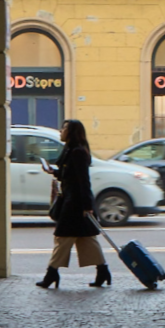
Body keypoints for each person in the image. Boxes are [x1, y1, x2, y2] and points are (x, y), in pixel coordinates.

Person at [36, 119, 112, 289]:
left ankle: (51, 274)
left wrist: (87, 206)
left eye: (64, 128)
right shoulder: (71, 150)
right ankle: (103, 271)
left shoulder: (77, 152)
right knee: (86, 240)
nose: (60, 131)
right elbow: (68, 175)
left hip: (75, 204)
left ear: (71, 132)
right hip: (73, 201)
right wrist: (54, 172)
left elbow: (83, 180)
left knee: (62, 238)